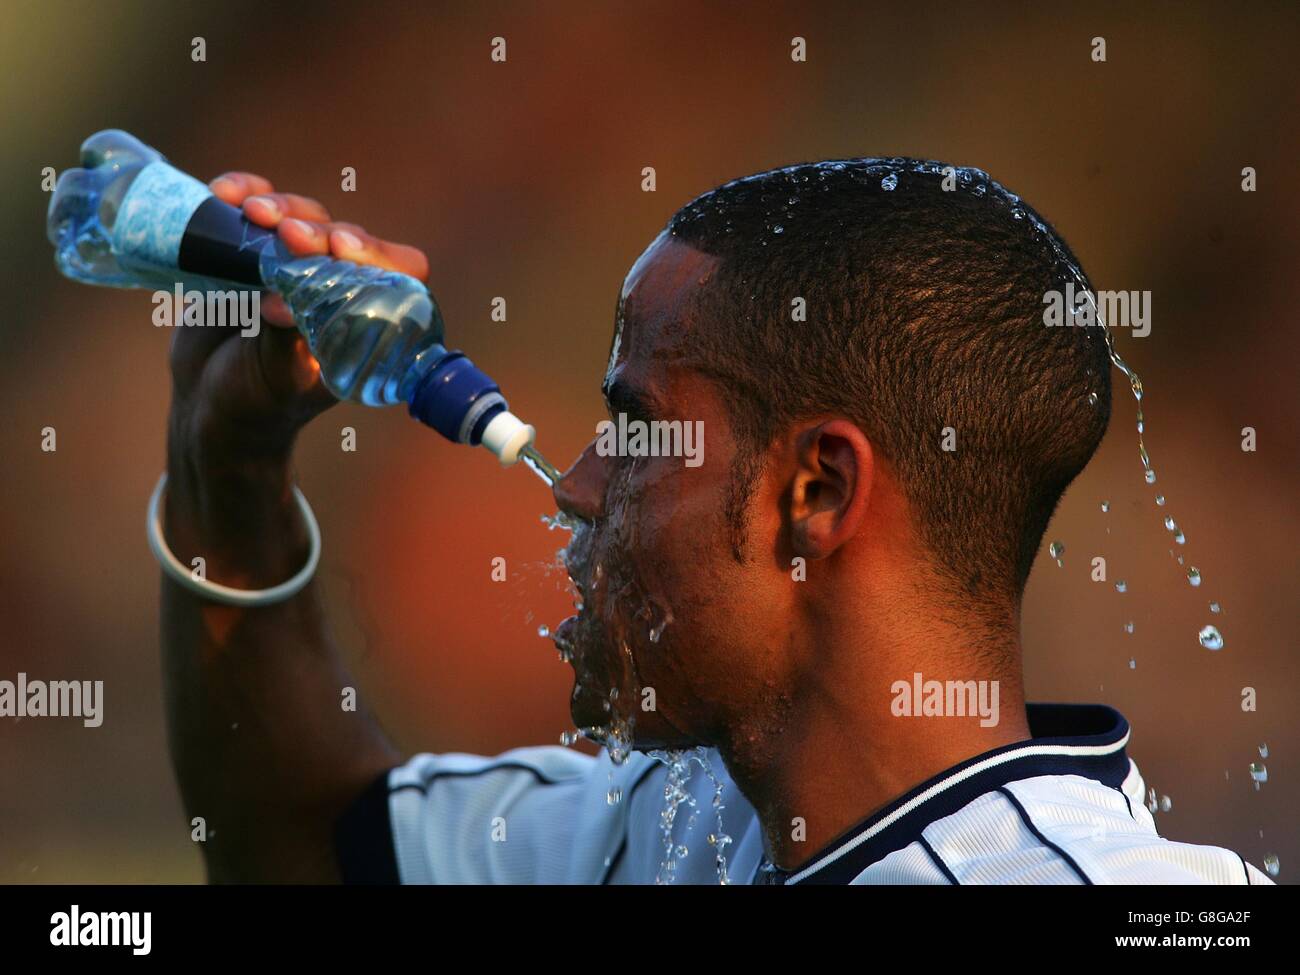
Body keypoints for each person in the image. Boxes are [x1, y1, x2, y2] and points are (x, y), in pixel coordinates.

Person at [158, 160, 1272, 884]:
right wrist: (229, 465)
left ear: (819, 492)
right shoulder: (686, 826)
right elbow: (302, 845)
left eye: (637, 425)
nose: (579, 484)